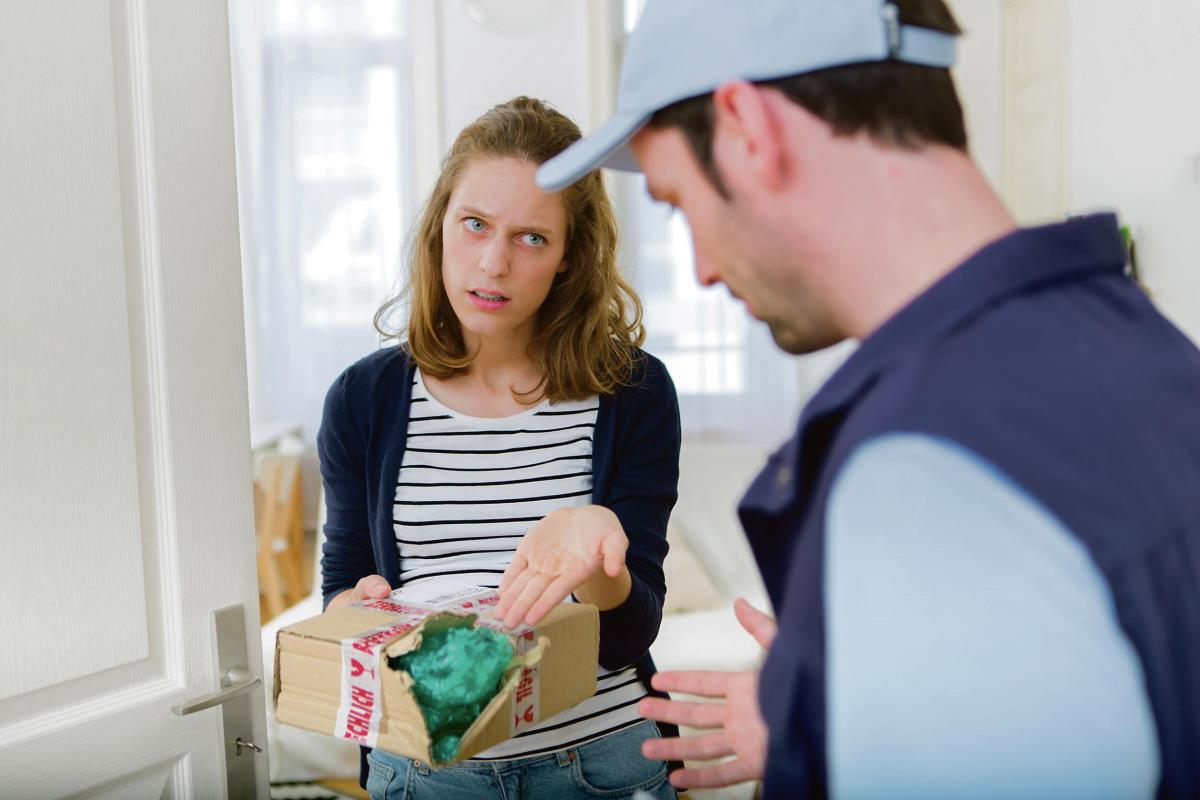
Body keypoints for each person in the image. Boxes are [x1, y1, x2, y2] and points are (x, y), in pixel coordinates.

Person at [537, 1, 1200, 798]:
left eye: (682, 204)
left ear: (749, 125)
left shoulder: (918, 462)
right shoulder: (1142, 346)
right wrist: (832, 704)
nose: (704, 268)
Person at [318, 96, 681, 800]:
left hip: (601, 764)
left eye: (531, 238)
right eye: (475, 225)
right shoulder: (363, 399)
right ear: (439, 228)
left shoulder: (632, 390)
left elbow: (631, 635)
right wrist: (355, 609)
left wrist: (600, 550)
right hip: (426, 772)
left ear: (570, 258)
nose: (493, 263)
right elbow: (344, 582)